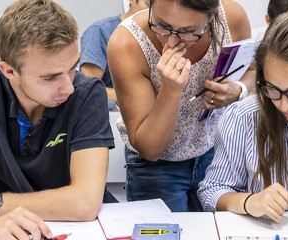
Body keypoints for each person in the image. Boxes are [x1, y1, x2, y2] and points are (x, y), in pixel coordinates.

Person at [0, 0, 114, 238]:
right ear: (9, 71)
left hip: (92, 229)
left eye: (73, 68)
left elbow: (84, 202)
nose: (68, 87)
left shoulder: (87, 93)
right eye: (50, 78)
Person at [108, 0, 255, 212]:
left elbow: (252, 69)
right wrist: (170, 89)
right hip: (156, 167)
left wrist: (239, 89)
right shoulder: (127, 43)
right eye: (161, 25)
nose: (172, 40)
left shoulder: (231, 18)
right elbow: (150, 149)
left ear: (212, 19)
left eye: (188, 31)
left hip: (214, 152)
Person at [198, 7, 288, 222]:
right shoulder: (244, 117)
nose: (283, 105)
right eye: (272, 89)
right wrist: (249, 201)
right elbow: (212, 191)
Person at [80, 0, 150, 109]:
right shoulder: (100, 31)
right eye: (148, 4)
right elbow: (86, 88)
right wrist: (136, 98)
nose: (150, 12)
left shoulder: (159, 34)